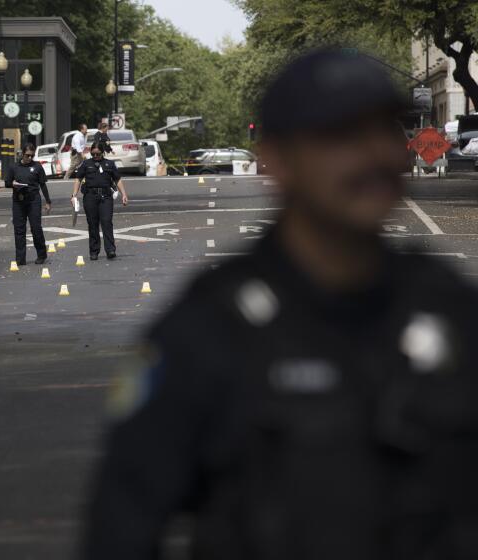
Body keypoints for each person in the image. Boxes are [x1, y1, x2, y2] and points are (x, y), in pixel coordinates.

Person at [84, 48, 478, 560]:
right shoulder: (212, 324)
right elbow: (122, 523)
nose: (375, 154)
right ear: (276, 161)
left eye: (387, 130)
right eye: (340, 136)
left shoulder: (446, 307)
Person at [71, 142, 128, 260]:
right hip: (90, 197)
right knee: (92, 224)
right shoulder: (86, 164)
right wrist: (74, 195)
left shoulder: (110, 164)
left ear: (103, 152)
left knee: (106, 222)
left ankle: (110, 250)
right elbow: (78, 179)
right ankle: (94, 251)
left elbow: (117, 179)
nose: (96, 156)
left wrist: (124, 194)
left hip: (106, 197)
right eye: (93, 154)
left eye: (98, 154)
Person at [5, 143, 52, 265]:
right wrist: (13, 184)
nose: (30, 158)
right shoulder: (14, 167)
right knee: (19, 230)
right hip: (18, 201)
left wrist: (48, 201)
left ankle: (41, 255)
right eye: (27, 156)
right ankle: (20, 259)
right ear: (22, 154)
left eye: (32, 156)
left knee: (36, 228)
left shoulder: (37, 167)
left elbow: (43, 184)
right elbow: (7, 182)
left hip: (33, 200)